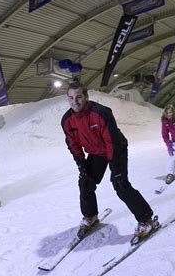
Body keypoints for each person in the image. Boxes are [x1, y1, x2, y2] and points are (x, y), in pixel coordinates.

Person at [61, 81, 155, 239]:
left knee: (120, 184)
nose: (75, 102)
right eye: (71, 98)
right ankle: (90, 216)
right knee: (85, 182)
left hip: (115, 149)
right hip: (96, 152)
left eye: (79, 97)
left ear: (86, 97)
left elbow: (112, 141)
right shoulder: (67, 120)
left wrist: (115, 169)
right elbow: (72, 144)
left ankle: (146, 219)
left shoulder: (101, 113)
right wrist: (81, 165)